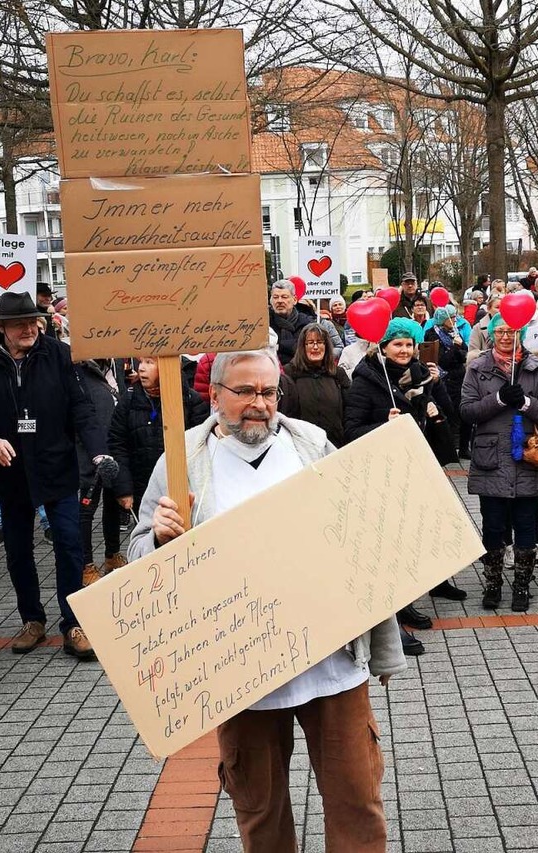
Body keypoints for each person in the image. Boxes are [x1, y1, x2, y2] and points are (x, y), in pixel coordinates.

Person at [128, 347, 406, 853]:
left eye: (269, 392)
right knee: (260, 812)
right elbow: (137, 555)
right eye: (246, 392)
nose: (260, 403)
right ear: (214, 395)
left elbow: (360, 538)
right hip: (241, 674)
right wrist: (160, 540)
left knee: (357, 803)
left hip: (331, 663)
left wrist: (383, 640)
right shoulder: (182, 460)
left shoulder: (311, 444)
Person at [0, 292, 113, 658]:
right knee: (17, 551)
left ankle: (72, 623)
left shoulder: (59, 355)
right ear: (2, 328)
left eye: (33, 321)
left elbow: (82, 408)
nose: (29, 328)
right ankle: (32, 620)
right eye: (19, 324)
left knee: (68, 542)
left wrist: (98, 452)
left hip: (56, 466)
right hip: (10, 472)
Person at [345, 317, 466, 644]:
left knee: (421, 533)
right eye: (397, 344)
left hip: (423, 464)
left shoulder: (424, 375)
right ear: (383, 346)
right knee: (393, 543)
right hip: (386, 473)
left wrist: (436, 399)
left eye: (409, 344)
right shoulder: (367, 380)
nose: (404, 350)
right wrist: (384, 425)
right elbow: (351, 431)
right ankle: (396, 612)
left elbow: (451, 415)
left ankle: (420, 592)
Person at [460, 313, 538, 611]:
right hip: (491, 459)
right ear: (492, 334)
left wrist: (527, 403)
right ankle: (492, 585)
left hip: (528, 457)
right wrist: (500, 399)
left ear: (522, 333)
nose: (505, 337)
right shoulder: (477, 368)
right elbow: (466, 412)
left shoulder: (537, 367)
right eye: (500, 331)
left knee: (526, 526)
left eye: (512, 331)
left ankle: (521, 587)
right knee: (492, 526)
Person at [109, 356, 208, 514]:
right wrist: (124, 488)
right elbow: (117, 444)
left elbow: (202, 444)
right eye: (141, 362)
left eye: (149, 362)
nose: (141, 368)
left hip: (185, 489)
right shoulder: (128, 401)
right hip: (144, 489)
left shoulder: (190, 400)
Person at [77, 358, 127, 585]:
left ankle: (112, 554)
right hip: (88, 450)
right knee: (87, 509)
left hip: (116, 444)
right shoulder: (78, 367)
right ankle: (86, 564)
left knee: (114, 502)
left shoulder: (118, 364)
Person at [284, 323, 350, 447]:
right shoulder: (289, 373)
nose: (315, 347)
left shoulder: (338, 374)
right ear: (302, 346)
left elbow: (349, 410)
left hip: (335, 443)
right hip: (302, 444)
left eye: (320, 342)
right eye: (310, 342)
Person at [424, 306, 469, 456]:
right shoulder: (432, 335)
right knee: (448, 412)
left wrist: (459, 347)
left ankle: (463, 447)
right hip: (443, 380)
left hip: (458, 379)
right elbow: (442, 360)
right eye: (452, 317)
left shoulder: (455, 333)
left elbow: (465, 355)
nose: (455, 320)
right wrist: (455, 349)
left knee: (461, 413)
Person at [269, 280, 314, 364]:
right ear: (271, 300)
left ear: (295, 300)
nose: (279, 301)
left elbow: (306, 350)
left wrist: (278, 345)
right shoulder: (264, 323)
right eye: (275, 297)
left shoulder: (306, 323)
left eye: (284, 297)